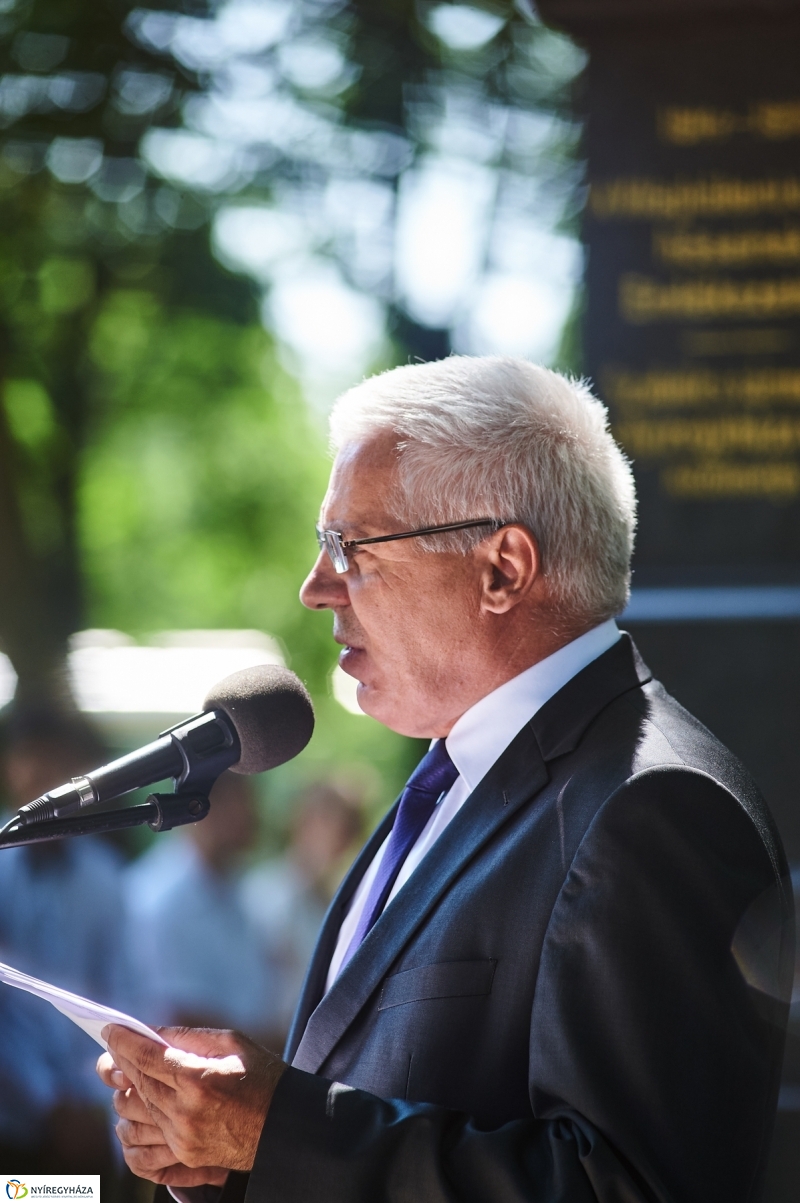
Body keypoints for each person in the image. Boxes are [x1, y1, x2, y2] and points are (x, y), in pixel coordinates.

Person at [97, 357, 793, 1203]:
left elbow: (628, 1188)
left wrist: (278, 1130)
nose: (315, 588)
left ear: (502, 567)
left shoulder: (654, 805)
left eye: (348, 546)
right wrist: (222, 1153)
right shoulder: (457, 777)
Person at [0, 706, 125, 1173]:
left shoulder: (104, 877)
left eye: (56, 761)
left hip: (89, 1124)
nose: (41, 775)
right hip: (13, 1127)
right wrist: (48, 1104)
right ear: (9, 767)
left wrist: (92, 1101)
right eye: (29, 758)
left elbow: (124, 995)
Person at [123, 773, 282, 1045]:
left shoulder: (230, 886)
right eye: (240, 801)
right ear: (201, 807)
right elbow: (179, 1021)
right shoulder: (162, 897)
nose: (253, 814)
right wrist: (276, 1048)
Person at [240, 782, 363, 1043]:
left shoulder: (335, 904)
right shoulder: (264, 890)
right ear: (302, 822)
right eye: (330, 826)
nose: (339, 842)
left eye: (348, 832)